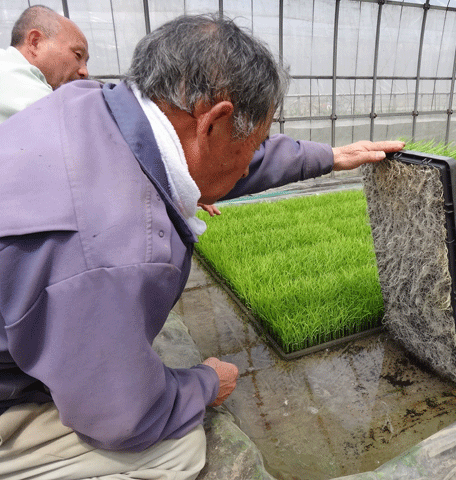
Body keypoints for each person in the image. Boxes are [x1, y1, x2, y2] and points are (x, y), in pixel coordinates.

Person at [0, 13, 403, 480]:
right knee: (179, 450)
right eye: (254, 142)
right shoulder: (122, 252)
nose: (253, 156)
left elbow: (212, 163)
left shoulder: (90, 105)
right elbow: (121, 418)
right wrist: (206, 382)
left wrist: (331, 158)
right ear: (215, 123)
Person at [0, 5, 89, 123]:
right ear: (35, 42)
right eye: (77, 54)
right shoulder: (10, 74)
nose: (85, 72)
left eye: (86, 63)